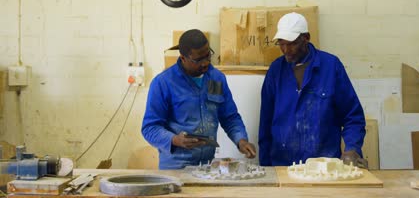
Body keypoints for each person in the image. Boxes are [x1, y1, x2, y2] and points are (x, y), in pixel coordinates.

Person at [258, 12, 367, 168]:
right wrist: (266, 167)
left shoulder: (331, 66)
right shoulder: (276, 71)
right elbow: (265, 124)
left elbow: (353, 117)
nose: (286, 49)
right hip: (282, 166)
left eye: (292, 43)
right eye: (281, 43)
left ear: (306, 38)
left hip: (324, 168)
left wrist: (352, 149)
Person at [142, 29, 256, 169]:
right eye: (198, 60)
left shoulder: (216, 79)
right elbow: (150, 128)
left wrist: (241, 140)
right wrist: (175, 140)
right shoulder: (163, 83)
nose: (205, 63)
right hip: (176, 167)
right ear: (183, 58)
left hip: (207, 166)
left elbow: (230, 117)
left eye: (208, 56)